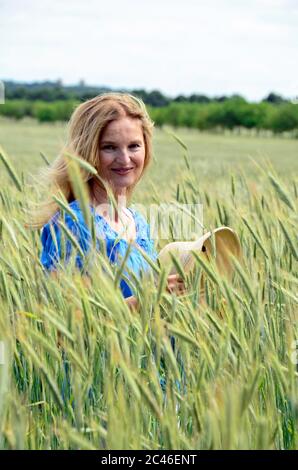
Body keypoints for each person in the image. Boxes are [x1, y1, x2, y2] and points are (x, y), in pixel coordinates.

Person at [28, 92, 186, 309]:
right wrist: (148, 299)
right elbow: (67, 318)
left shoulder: (138, 223)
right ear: (88, 152)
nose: (124, 159)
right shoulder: (72, 224)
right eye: (109, 147)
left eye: (134, 146)